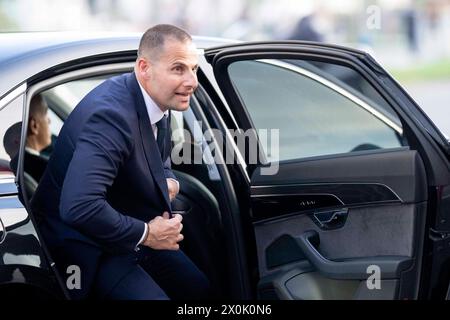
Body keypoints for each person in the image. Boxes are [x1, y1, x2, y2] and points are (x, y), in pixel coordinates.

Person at [31, 24, 210, 300]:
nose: (192, 81)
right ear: (144, 68)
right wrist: (148, 233)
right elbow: (79, 207)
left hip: (125, 226)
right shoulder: (112, 119)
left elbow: (158, 158)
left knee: (199, 290)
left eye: (193, 69)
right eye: (178, 69)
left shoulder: (156, 101)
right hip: (86, 245)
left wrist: (168, 181)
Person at [6, 94, 51, 183]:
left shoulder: (11, 171)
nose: (49, 120)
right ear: (34, 125)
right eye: (46, 114)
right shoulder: (47, 169)